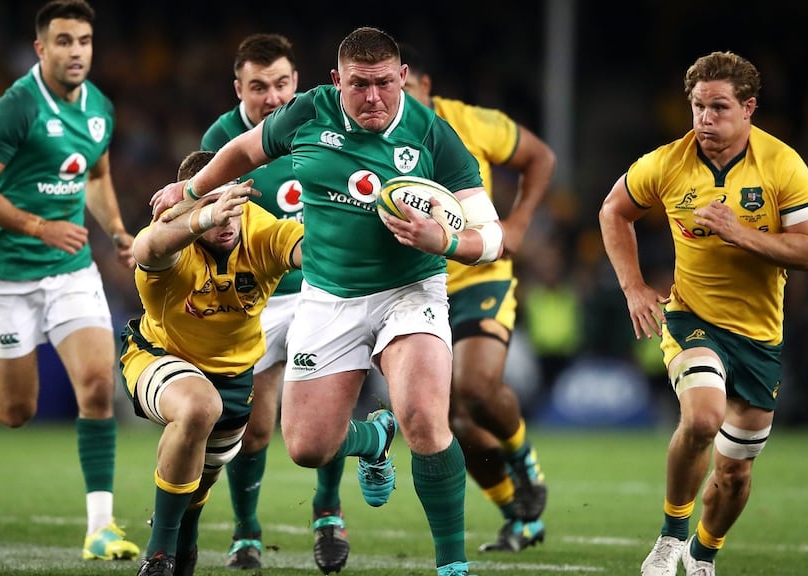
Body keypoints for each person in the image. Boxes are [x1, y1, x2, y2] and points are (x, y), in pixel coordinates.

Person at [151, 27, 505, 576]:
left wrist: (449, 244)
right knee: (308, 447)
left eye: (384, 83)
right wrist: (191, 190)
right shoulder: (308, 112)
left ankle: (451, 567)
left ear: (402, 78)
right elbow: (243, 150)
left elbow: (492, 235)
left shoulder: (434, 135)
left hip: (408, 292)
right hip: (327, 295)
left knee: (424, 418)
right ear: (336, 80)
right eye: (359, 84)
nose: (372, 97)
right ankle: (375, 437)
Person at [0, 0, 140, 561]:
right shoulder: (17, 108)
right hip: (7, 277)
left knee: (95, 385)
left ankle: (100, 527)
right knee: (16, 411)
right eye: (63, 41)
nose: (76, 52)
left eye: (84, 41)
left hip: (70, 271)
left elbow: (96, 174)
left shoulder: (99, 109)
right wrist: (38, 225)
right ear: (41, 49)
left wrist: (114, 228)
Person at [598, 51, 808, 576]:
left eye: (719, 107)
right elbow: (614, 210)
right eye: (698, 106)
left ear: (749, 107)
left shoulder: (782, 164)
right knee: (701, 417)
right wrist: (633, 286)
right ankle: (670, 535)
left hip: (760, 336)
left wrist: (739, 232)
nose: (705, 119)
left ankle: (703, 554)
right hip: (690, 317)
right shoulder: (667, 162)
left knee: (733, 477)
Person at [199, 33, 350, 573]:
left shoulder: (316, 124)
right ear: (238, 87)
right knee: (255, 425)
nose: (271, 96)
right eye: (258, 86)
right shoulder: (222, 140)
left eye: (282, 84)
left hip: (320, 290)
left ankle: (328, 509)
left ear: (296, 80)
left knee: (328, 411)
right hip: (257, 298)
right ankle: (246, 531)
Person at [401, 44, 556, 553]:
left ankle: (525, 464)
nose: (390, 100)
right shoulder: (372, 137)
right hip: (415, 287)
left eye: (400, 88)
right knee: (447, 422)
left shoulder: (471, 122)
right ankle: (520, 515)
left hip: (478, 276)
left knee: (476, 388)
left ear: (423, 84)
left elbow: (540, 156)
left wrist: (518, 223)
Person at [124, 151, 304, 576]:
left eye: (231, 205)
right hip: (160, 355)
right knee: (198, 408)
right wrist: (199, 219)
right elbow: (144, 248)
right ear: (188, 205)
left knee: (201, 478)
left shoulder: (261, 228)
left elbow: (305, 249)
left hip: (236, 376)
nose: (226, 218)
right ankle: (158, 553)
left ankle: (183, 546)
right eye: (211, 205)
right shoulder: (170, 237)